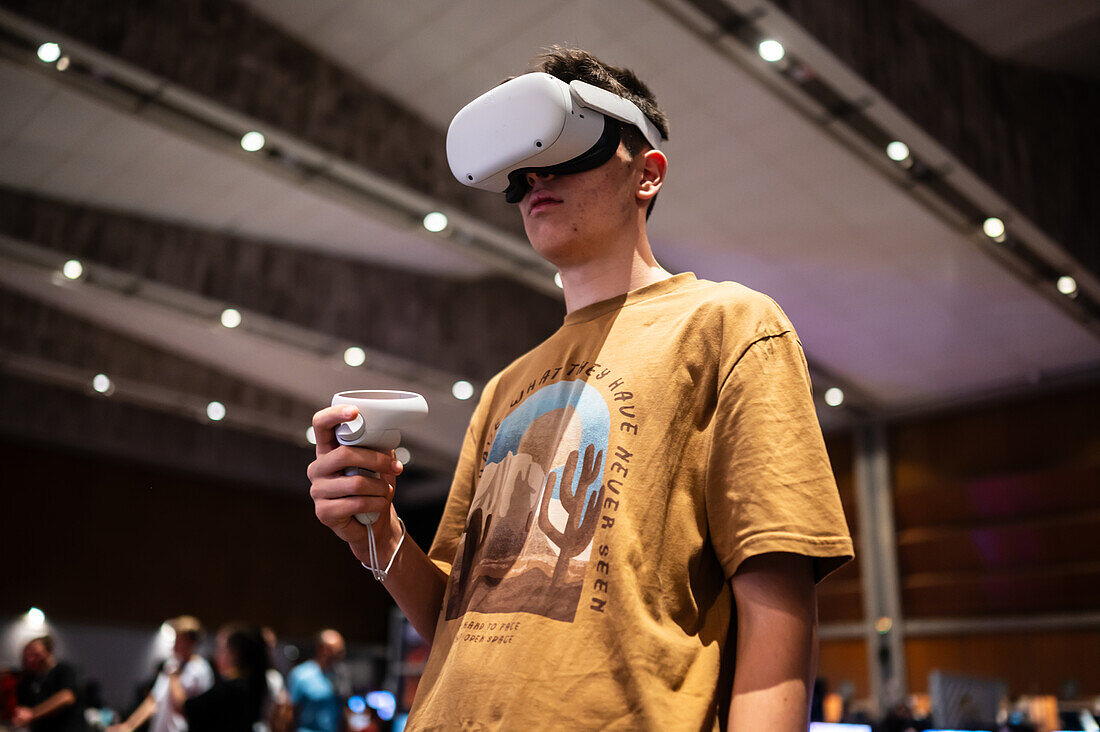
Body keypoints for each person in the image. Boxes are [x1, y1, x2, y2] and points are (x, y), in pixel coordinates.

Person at [308, 46, 854, 730]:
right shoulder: (506, 386)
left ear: (646, 174)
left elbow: (778, 606)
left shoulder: (729, 326)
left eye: (567, 151)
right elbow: (457, 613)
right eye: (523, 170)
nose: (536, 175)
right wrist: (378, 533)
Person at [109, 616, 214, 732]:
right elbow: (153, 700)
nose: (175, 644)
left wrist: (174, 677)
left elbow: (186, 708)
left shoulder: (201, 669)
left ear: (191, 642)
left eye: (180, 639)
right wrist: (128, 726)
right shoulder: (172, 664)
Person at [169, 624, 268, 732]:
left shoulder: (231, 688)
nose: (216, 653)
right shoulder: (250, 684)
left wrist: (174, 676)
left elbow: (185, 708)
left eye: (221, 648)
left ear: (234, 653)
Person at [12, 636, 87, 731]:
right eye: (27, 654)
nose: (30, 658)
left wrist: (32, 713)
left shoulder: (63, 670)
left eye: (35, 654)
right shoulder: (28, 680)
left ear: (48, 652)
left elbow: (67, 697)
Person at [286, 630, 345, 732]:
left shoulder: (339, 676)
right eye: (334, 650)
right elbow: (289, 712)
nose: (338, 655)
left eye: (341, 651)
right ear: (321, 649)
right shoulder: (301, 674)